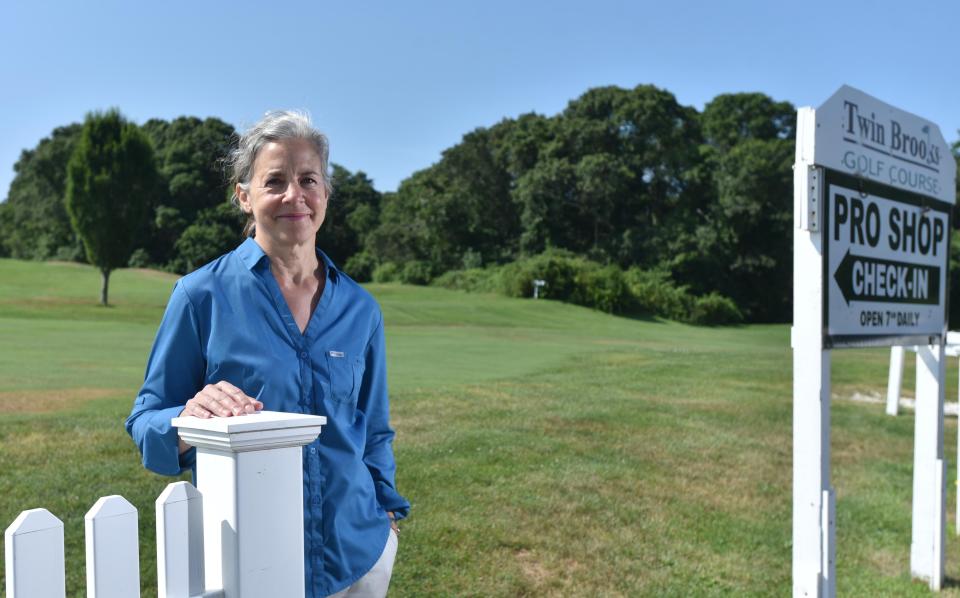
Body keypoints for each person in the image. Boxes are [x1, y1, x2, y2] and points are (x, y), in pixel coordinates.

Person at [126, 110, 409, 597]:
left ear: (325, 193)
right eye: (274, 180)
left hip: (357, 558)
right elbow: (144, 420)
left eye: (308, 179)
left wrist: (386, 516)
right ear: (244, 196)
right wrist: (187, 420)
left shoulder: (362, 309)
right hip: (249, 567)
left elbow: (373, 427)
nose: (293, 195)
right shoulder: (201, 296)